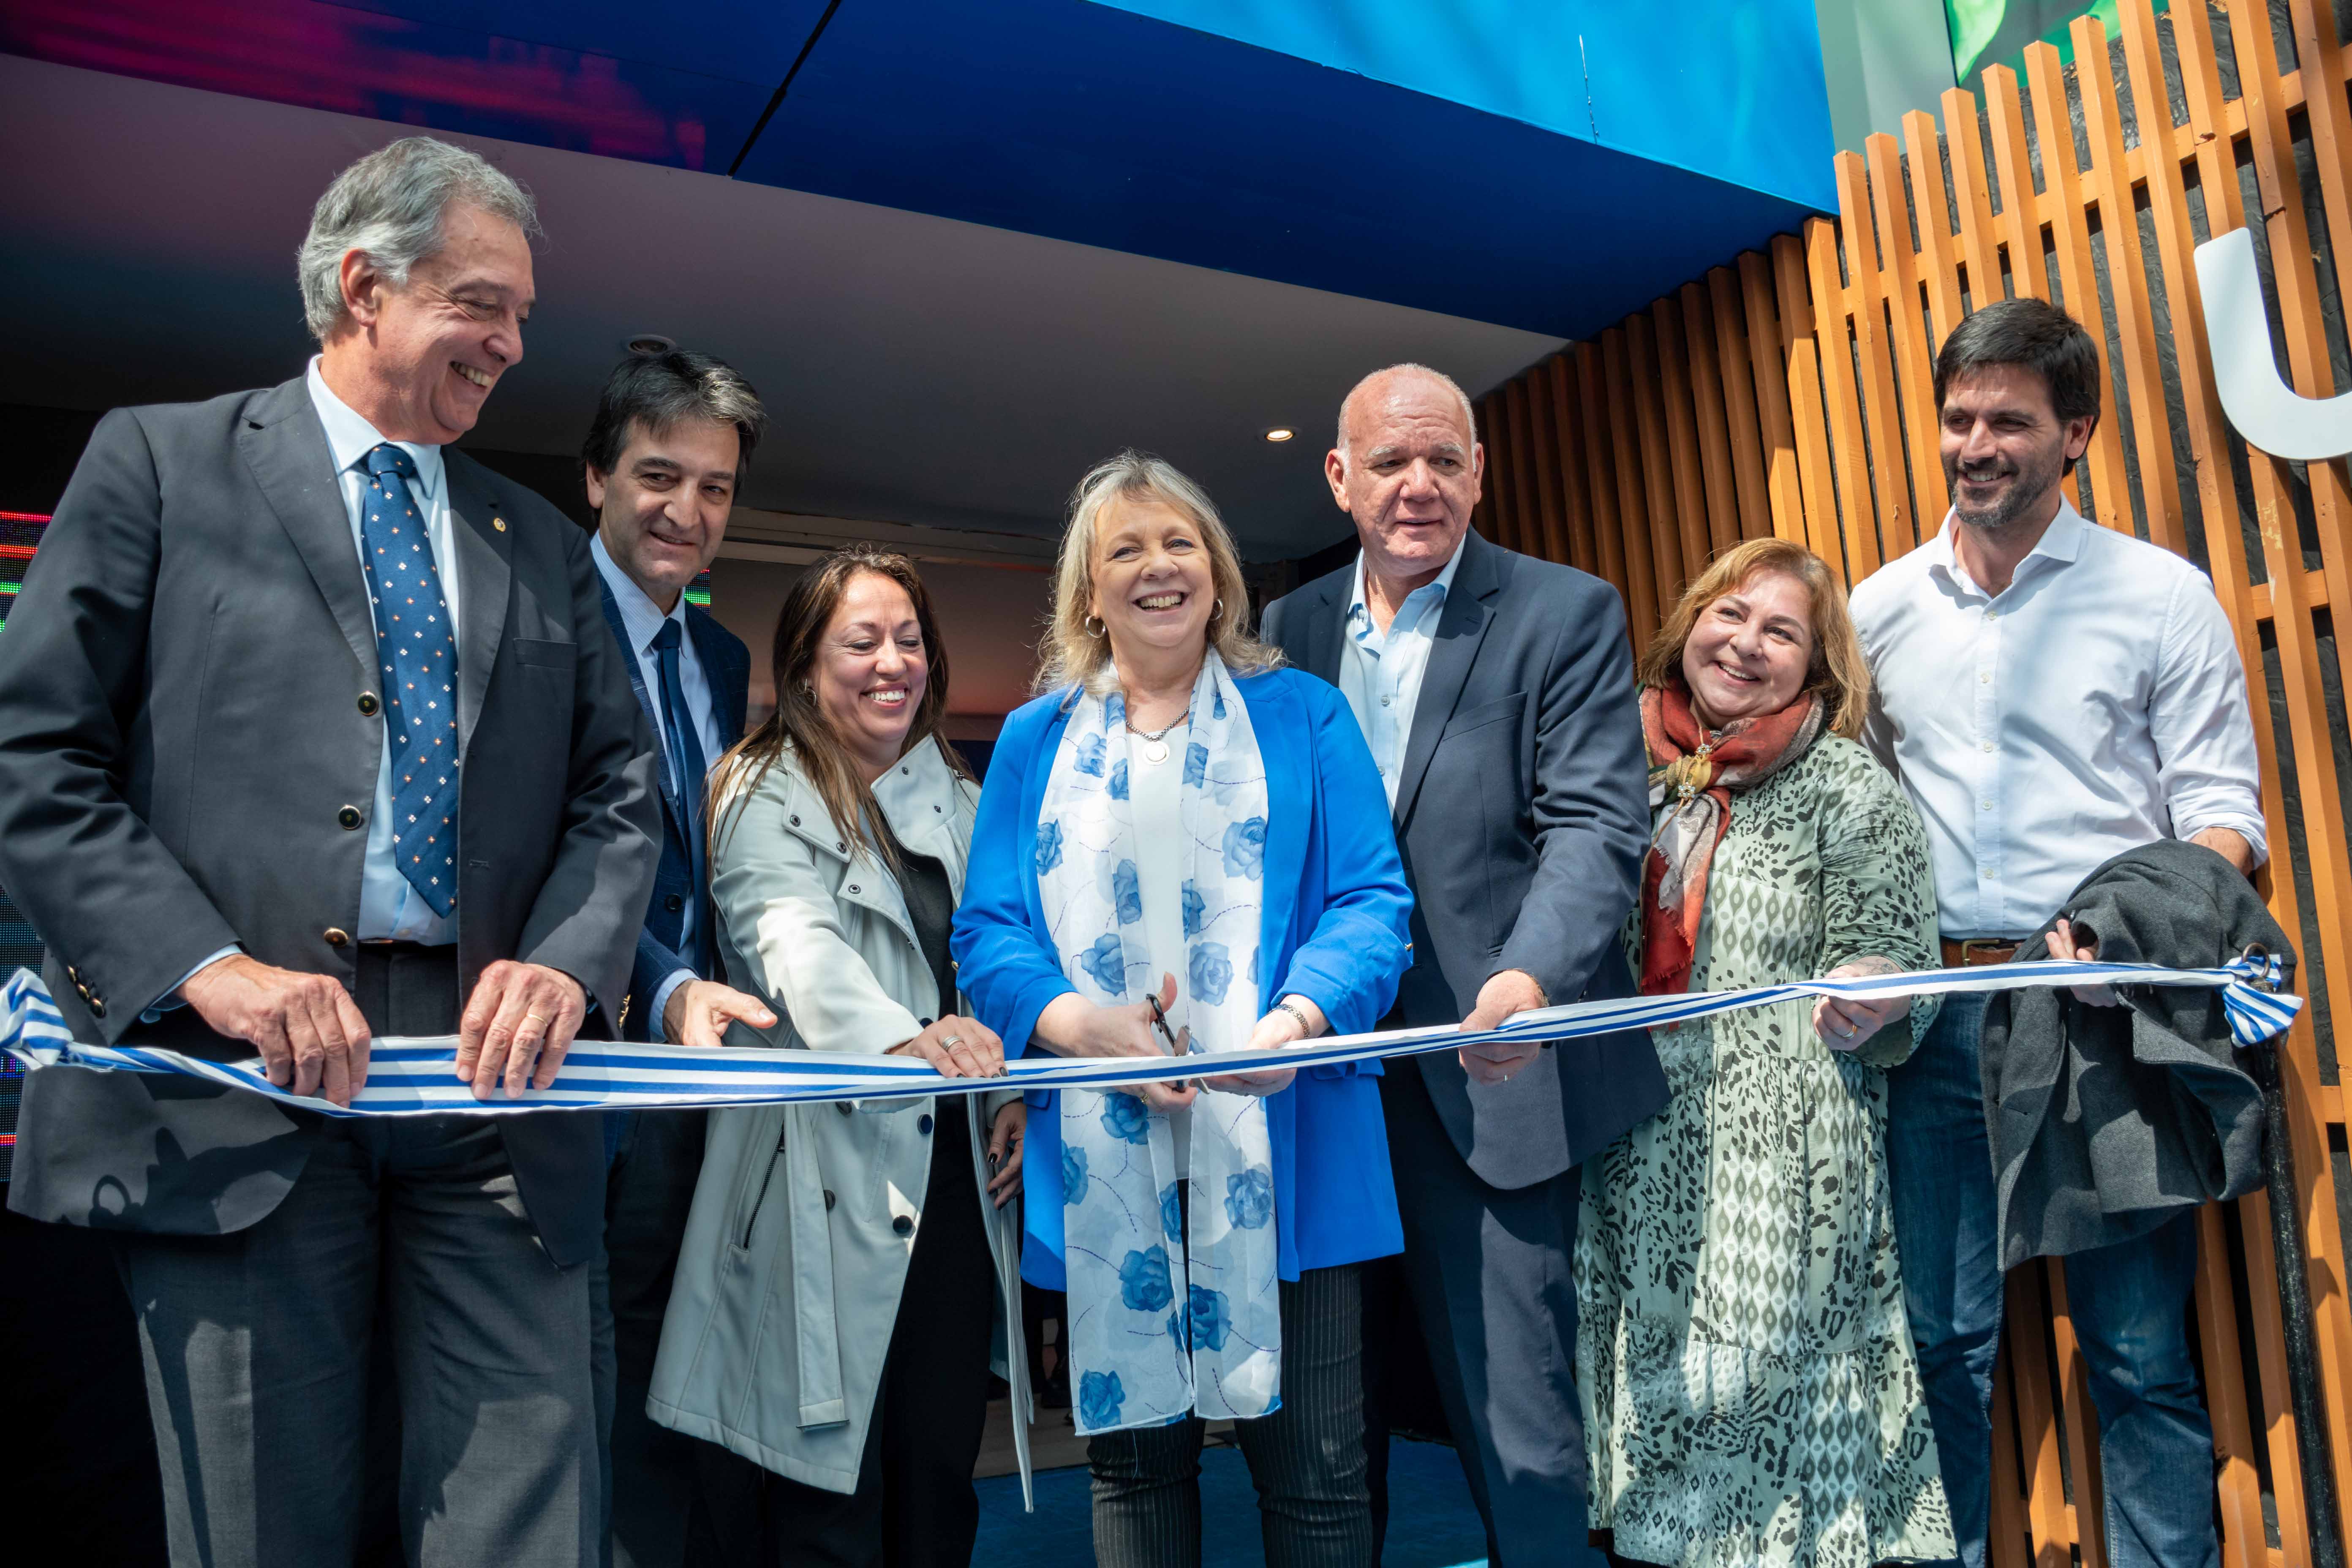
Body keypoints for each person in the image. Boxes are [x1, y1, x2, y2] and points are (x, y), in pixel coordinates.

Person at [0, 136, 662, 1568]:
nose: (512, 343)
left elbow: (621, 791)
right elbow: (33, 758)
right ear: (364, 285)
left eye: (524, 315)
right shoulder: (160, 465)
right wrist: (207, 967)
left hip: (493, 1094)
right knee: (261, 1527)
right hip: (242, 1082)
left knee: (531, 1520)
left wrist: (563, 962)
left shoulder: (538, 542)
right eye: (484, 303)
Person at [1849, 297, 2267, 1568]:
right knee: (1938, 1348)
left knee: (2138, 1356)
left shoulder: (2157, 594)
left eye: (2011, 422)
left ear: (2074, 432)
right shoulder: (1875, 612)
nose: (1978, 444)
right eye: (1960, 419)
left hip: (2101, 1022)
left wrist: (2119, 919)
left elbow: (2224, 821)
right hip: (1931, 1025)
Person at [953, 452, 1414, 1567]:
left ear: (1217, 573)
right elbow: (989, 930)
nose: (1159, 566)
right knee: (1137, 1475)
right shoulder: (1031, 739)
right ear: (1088, 594)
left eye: (1180, 543)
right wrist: (1076, 1031)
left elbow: (1371, 903)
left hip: (1290, 1134)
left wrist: (1291, 1024)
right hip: (1108, 1143)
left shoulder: (1304, 714)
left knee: (1315, 1480)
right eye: (1127, 549)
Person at [1259, 363, 1666, 1566]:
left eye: (1445, 459)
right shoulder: (1279, 638)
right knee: (1326, 1434)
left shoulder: (1565, 611)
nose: (1419, 485)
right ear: (1341, 479)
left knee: (1521, 1430)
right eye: (1390, 462)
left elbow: (1597, 826)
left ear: (1481, 472)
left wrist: (1531, 981)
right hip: (1322, 1078)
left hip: (1489, 1070)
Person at [1574, 537, 1953, 1568]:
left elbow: (1897, 950)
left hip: (1781, 1168)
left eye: (1780, 631)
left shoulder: (1846, 786)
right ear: (1687, 623)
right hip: (1632, 1152)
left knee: (1764, 1435)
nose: (1745, 644)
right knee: (1652, 1426)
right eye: (1728, 615)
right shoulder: (1620, 768)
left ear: (1818, 665)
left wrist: (1873, 990)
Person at [649, 546, 1029, 1568]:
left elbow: (999, 951)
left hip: (951, 1179)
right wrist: (908, 1038)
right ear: (808, 665)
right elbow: (790, 941)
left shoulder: (955, 789)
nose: (891, 661)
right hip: (814, 1181)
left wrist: (1019, 1084)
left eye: (909, 639)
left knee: (939, 1477)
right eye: (861, 641)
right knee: (827, 1500)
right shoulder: (756, 784)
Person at [583, 348, 779, 1568]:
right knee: (575, 1392)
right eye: (660, 476)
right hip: (579, 1078)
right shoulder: (534, 618)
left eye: (714, 489)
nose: (687, 512)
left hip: (696, 1093)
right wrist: (663, 983)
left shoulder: (712, 655)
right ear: (596, 474)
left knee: (676, 1377)